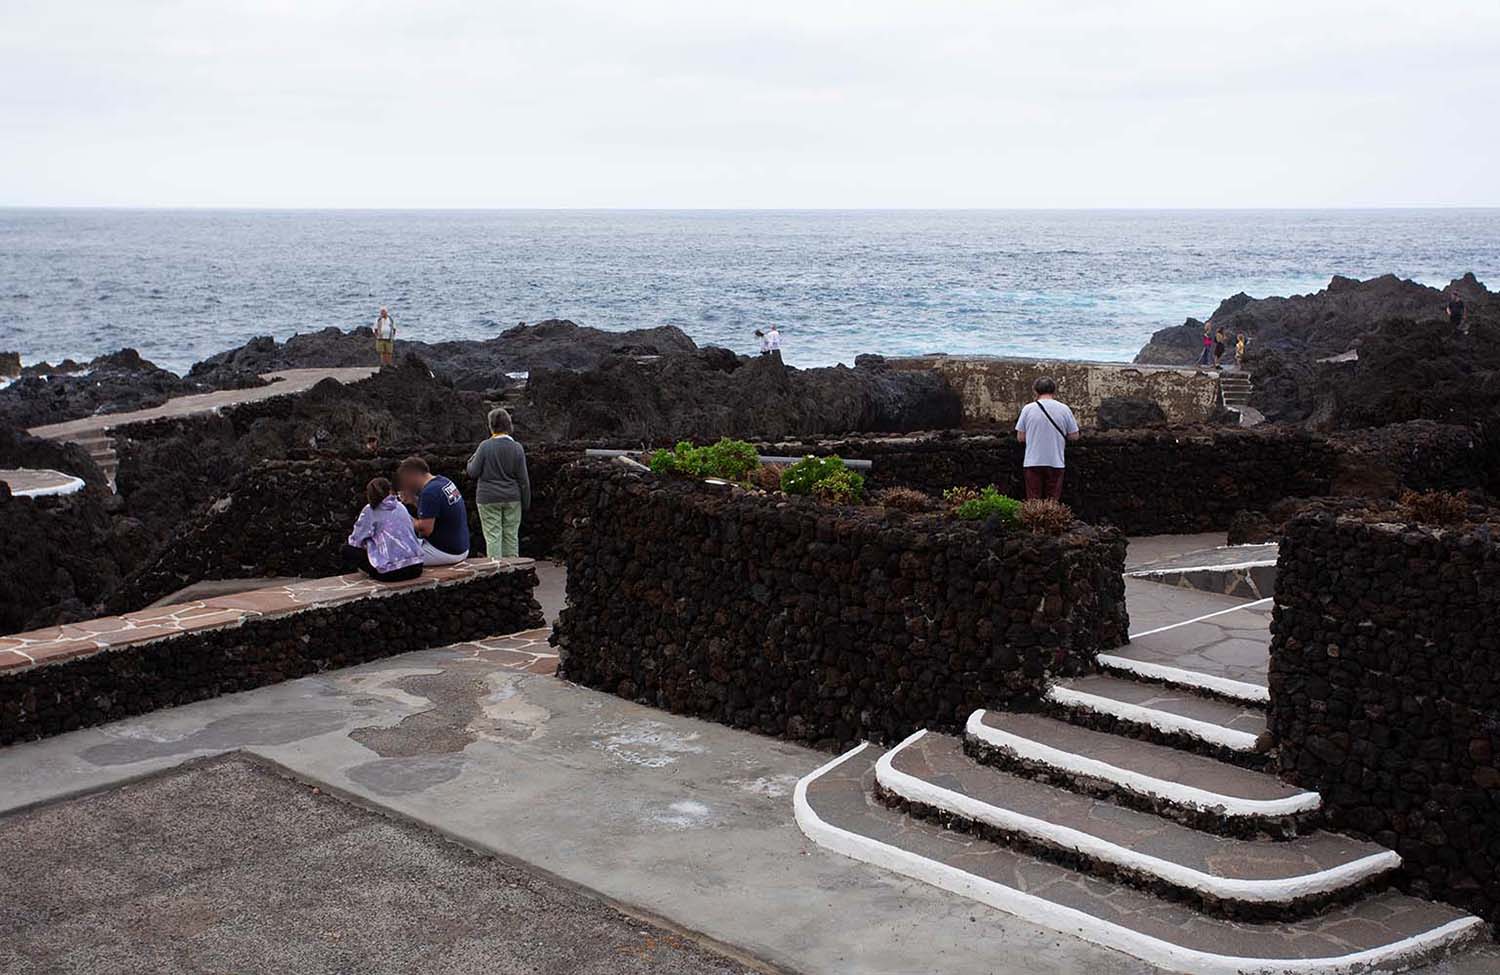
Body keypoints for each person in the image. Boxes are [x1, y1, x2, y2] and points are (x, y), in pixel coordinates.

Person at [467, 407, 531, 559]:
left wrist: (471, 460)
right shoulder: (517, 448)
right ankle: (514, 571)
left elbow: (473, 472)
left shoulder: (484, 446)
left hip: (488, 498)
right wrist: (526, 501)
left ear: (490, 426)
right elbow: (523, 479)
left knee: (493, 536)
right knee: (511, 536)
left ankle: (497, 571)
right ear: (509, 425)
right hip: (512, 498)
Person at [341, 477, 425, 582]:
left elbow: (356, 540)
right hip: (416, 567)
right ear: (389, 490)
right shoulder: (400, 506)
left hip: (390, 573)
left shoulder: (370, 510)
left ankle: (371, 570)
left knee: (348, 550)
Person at [396, 456, 470, 566]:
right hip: (461, 547)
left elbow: (425, 529)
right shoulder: (443, 482)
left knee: (394, 556)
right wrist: (413, 501)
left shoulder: (429, 493)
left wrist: (402, 513)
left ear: (413, 475)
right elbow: (432, 511)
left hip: (445, 552)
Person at [1015, 376, 1080, 500]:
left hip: (1032, 461)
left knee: (1033, 500)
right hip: (1056, 461)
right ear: (1054, 391)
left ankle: (1034, 519)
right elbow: (1074, 436)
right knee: (1052, 500)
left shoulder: (1028, 409)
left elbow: (1021, 437)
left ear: (1035, 391)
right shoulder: (1064, 409)